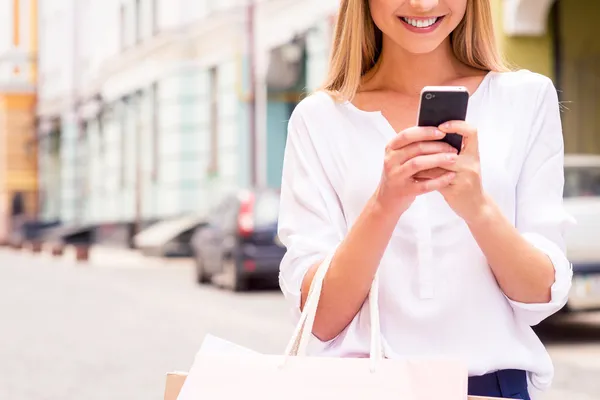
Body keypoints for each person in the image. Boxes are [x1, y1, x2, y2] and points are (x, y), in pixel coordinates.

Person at [277, 0, 574, 399]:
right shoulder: (319, 119)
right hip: (365, 387)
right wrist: (385, 203)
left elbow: (541, 296)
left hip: (492, 387)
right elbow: (321, 318)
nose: (424, 4)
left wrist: (478, 208)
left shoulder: (525, 99)